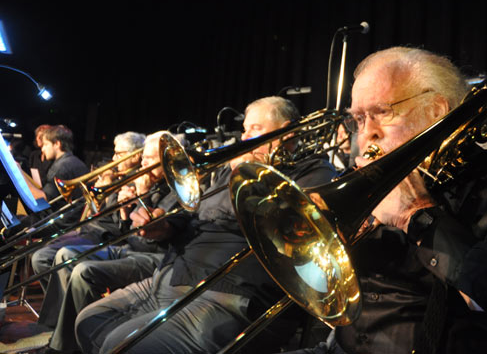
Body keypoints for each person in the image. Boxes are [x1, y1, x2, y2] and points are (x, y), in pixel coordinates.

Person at [280, 46, 487, 354]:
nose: (366, 135)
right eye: (359, 120)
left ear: (435, 111)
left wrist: (417, 216)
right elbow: (317, 289)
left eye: (381, 113)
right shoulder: (361, 185)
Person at [74, 96, 338, 354]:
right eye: (245, 129)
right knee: (90, 320)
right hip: (174, 274)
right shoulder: (227, 171)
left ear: (286, 133)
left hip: (229, 292)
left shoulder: (313, 170)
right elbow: (195, 213)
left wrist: (252, 175)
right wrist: (164, 226)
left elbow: (292, 232)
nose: (245, 138)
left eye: (256, 129)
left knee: (119, 344)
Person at [37, 131, 183, 354]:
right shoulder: (152, 183)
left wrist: (140, 196)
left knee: (83, 271)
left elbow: (152, 238)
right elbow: (126, 231)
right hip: (128, 247)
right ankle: (56, 330)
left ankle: (66, 345)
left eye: (149, 158)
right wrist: (125, 211)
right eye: (143, 157)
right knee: (64, 255)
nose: (144, 163)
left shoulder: (177, 189)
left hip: (155, 257)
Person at [30, 132, 146, 294]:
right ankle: (68, 302)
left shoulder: (139, 181)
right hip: (89, 229)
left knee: (43, 257)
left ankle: (72, 303)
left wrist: (108, 191)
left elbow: (120, 224)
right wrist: (99, 190)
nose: (113, 159)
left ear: (135, 157)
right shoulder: (118, 175)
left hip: (105, 235)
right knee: (39, 252)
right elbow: (95, 208)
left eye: (119, 154)